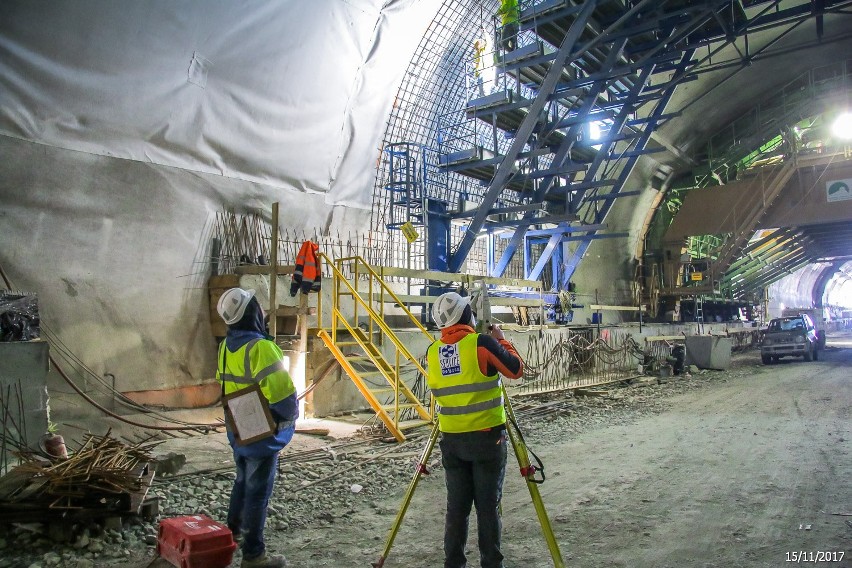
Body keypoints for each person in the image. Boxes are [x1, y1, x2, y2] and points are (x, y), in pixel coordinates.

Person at [426, 291, 524, 568]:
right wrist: (501, 339)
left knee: (456, 510)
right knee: (487, 509)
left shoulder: (432, 352)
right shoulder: (480, 343)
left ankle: (453, 563)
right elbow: (515, 370)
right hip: (486, 440)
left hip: (452, 442)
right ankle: (491, 564)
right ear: (466, 315)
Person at [216, 287, 298, 568]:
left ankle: (231, 534)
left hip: (237, 425)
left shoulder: (225, 346)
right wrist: (288, 420)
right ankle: (253, 555)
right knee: (257, 491)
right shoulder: (261, 348)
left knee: (242, 481)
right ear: (253, 313)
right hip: (260, 429)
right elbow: (282, 396)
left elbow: (225, 385)